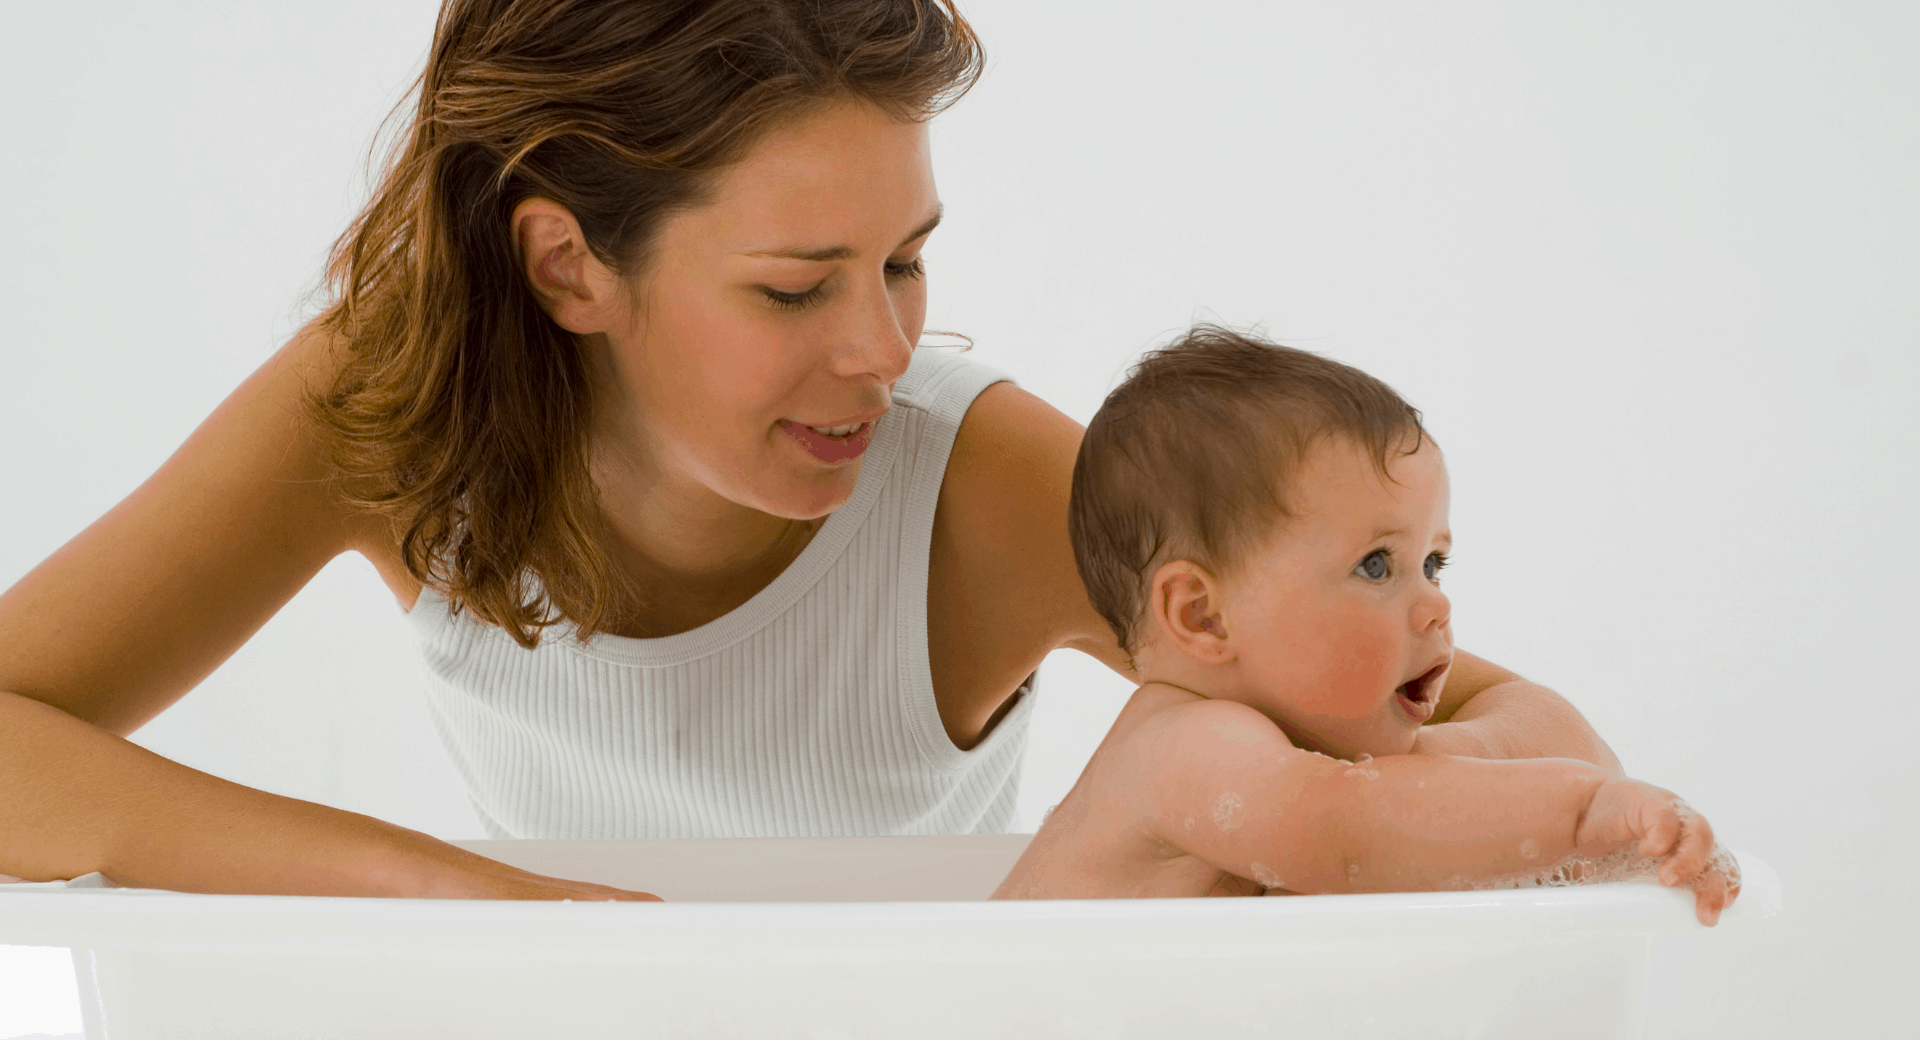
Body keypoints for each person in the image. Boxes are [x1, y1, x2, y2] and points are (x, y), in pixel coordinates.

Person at [0, 0, 1618, 901]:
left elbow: (1462, 714)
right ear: (569, 268)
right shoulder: (390, 414)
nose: (881, 350)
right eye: (794, 286)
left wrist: (1551, 791)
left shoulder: (981, 491)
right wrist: (451, 897)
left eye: (904, 259)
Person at [991, 326, 1740, 925]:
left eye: (1433, 564)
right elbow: (1345, 834)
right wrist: (1581, 814)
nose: (1435, 605)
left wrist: (1459, 773)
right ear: (1203, 614)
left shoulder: (1315, 760)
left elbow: (1569, 739)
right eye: (1377, 566)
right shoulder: (1185, 745)